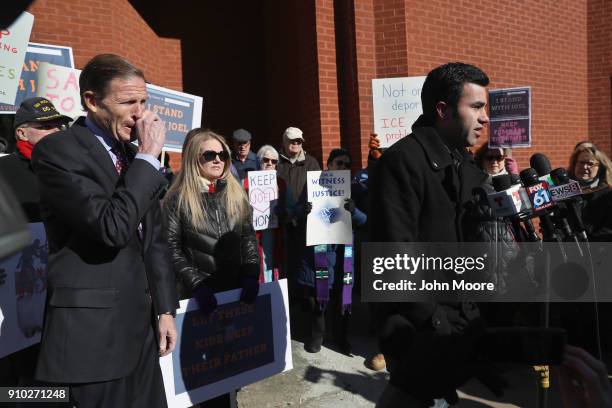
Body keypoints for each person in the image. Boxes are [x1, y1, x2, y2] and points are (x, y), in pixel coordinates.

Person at [31, 54, 178, 408]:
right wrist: (148, 157)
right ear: (93, 101)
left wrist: (165, 309)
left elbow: (153, 238)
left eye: (144, 101)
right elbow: (112, 228)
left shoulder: (134, 155)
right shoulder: (57, 151)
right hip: (93, 339)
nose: (140, 113)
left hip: (142, 333)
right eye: (128, 102)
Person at [370, 62, 497, 407]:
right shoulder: (402, 162)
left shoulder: (463, 163)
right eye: (476, 107)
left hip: (456, 325)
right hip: (419, 331)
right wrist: (437, 322)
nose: (485, 118)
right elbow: (394, 256)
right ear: (443, 110)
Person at [163, 128, 260, 408]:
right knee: (202, 385)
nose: (218, 160)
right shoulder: (177, 199)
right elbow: (170, 249)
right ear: (195, 158)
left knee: (230, 377)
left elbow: (247, 239)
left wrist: (251, 273)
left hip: (232, 299)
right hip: (199, 302)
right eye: (210, 155)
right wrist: (197, 284)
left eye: (222, 154)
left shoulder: (235, 194)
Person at [0, 97, 71, 392]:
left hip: (63, 295)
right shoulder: (4, 173)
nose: (56, 131)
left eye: (59, 125)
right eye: (46, 126)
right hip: (17, 300)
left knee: (55, 377)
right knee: (20, 380)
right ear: (21, 133)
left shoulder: (70, 173)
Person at [299, 148, 366, 355]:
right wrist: (305, 211)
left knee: (341, 298)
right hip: (318, 255)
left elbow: (364, 220)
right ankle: (316, 337)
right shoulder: (313, 186)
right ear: (328, 165)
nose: (343, 168)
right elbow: (297, 217)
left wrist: (354, 210)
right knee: (318, 300)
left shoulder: (354, 189)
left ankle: (341, 338)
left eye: (347, 164)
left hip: (342, 256)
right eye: (339, 163)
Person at [276, 126, 321, 297]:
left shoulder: (311, 163)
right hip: (282, 221)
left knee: (303, 261)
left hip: (305, 221)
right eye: (292, 141)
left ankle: (303, 296)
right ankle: (286, 297)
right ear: (284, 142)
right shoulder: (276, 163)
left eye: (299, 141)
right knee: (284, 261)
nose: (296, 144)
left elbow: (319, 190)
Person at [248, 144, 295, 283]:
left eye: (274, 161)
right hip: (254, 236)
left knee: (274, 270)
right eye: (266, 160)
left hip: (276, 234)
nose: (270, 164)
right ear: (259, 161)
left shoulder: (282, 184)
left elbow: (291, 210)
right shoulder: (246, 183)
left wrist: (284, 213)